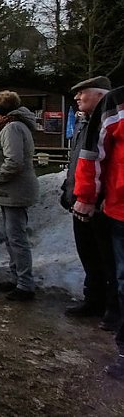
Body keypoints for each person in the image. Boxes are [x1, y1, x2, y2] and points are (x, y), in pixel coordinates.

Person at [73, 84, 124, 378]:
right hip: (118, 209)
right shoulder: (117, 104)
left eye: (83, 92)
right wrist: (84, 196)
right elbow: (92, 154)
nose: (77, 98)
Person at [61, 76, 119, 327]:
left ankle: (111, 306)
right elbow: (77, 162)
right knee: (87, 254)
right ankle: (92, 299)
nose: (76, 98)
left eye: (81, 93)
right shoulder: (84, 124)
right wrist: (68, 189)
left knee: (106, 258)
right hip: (80, 200)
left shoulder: (108, 123)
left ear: (100, 95)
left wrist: (94, 197)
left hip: (100, 204)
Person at [0, 90, 39, 301]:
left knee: (17, 237)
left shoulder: (12, 128)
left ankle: (25, 284)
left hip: (15, 189)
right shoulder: (11, 126)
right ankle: (16, 276)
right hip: (11, 190)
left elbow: (14, 161)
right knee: (12, 236)